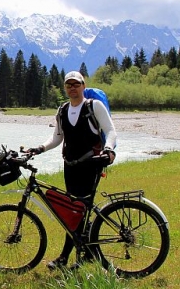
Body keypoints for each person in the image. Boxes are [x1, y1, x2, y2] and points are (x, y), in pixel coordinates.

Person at [24, 71, 117, 270]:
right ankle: (86, 253)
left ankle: (68, 258)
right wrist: (39, 148)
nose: (72, 88)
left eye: (76, 84)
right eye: (69, 85)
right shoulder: (62, 110)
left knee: (76, 211)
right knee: (73, 210)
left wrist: (108, 148)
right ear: (65, 88)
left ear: (83, 86)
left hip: (91, 164)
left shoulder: (94, 106)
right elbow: (57, 138)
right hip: (70, 166)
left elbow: (110, 130)